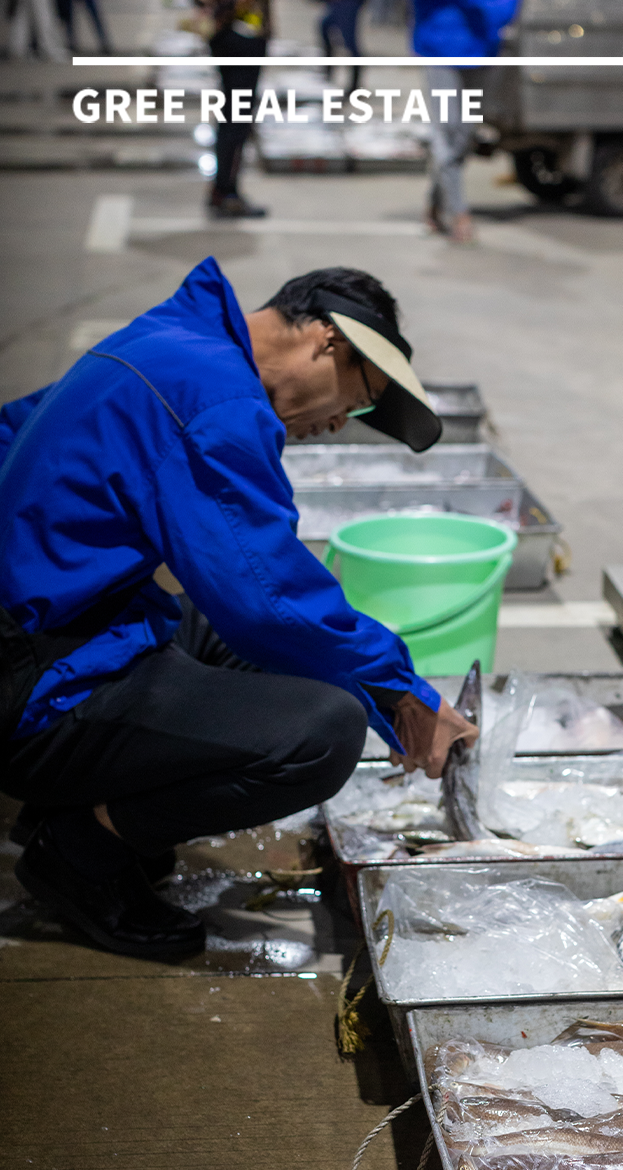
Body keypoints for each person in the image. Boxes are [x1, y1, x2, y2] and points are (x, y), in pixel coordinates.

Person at [0, 258, 477, 961]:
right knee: (324, 730)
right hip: (27, 676)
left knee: (250, 647)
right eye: (361, 398)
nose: (343, 422)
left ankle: (88, 804)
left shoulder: (173, 338)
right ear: (328, 341)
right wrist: (397, 688)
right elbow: (267, 595)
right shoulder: (213, 399)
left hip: (56, 619)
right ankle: (77, 849)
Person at [412, 0, 518, 243]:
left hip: (483, 49)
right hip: (440, 48)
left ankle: (435, 205)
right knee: (449, 132)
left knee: (464, 138)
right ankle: (459, 214)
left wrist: (497, 16)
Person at [195, 0, 271, 218]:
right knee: (236, 120)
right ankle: (226, 193)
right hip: (240, 36)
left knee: (232, 116)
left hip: (232, 33)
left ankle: (223, 190)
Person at [321, 0, 363, 95]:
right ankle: (327, 72)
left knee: (349, 42)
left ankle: (355, 85)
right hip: (336, 4)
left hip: (348, 4)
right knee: (324, 26)